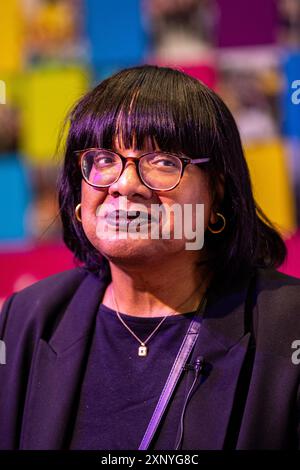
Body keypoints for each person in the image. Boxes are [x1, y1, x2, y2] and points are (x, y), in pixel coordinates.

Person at [0, 65, 300, 450]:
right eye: (104, 159)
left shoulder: (288, 325)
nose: (125, 185)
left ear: (216, 197)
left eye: (162, 162)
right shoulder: (27, 319)